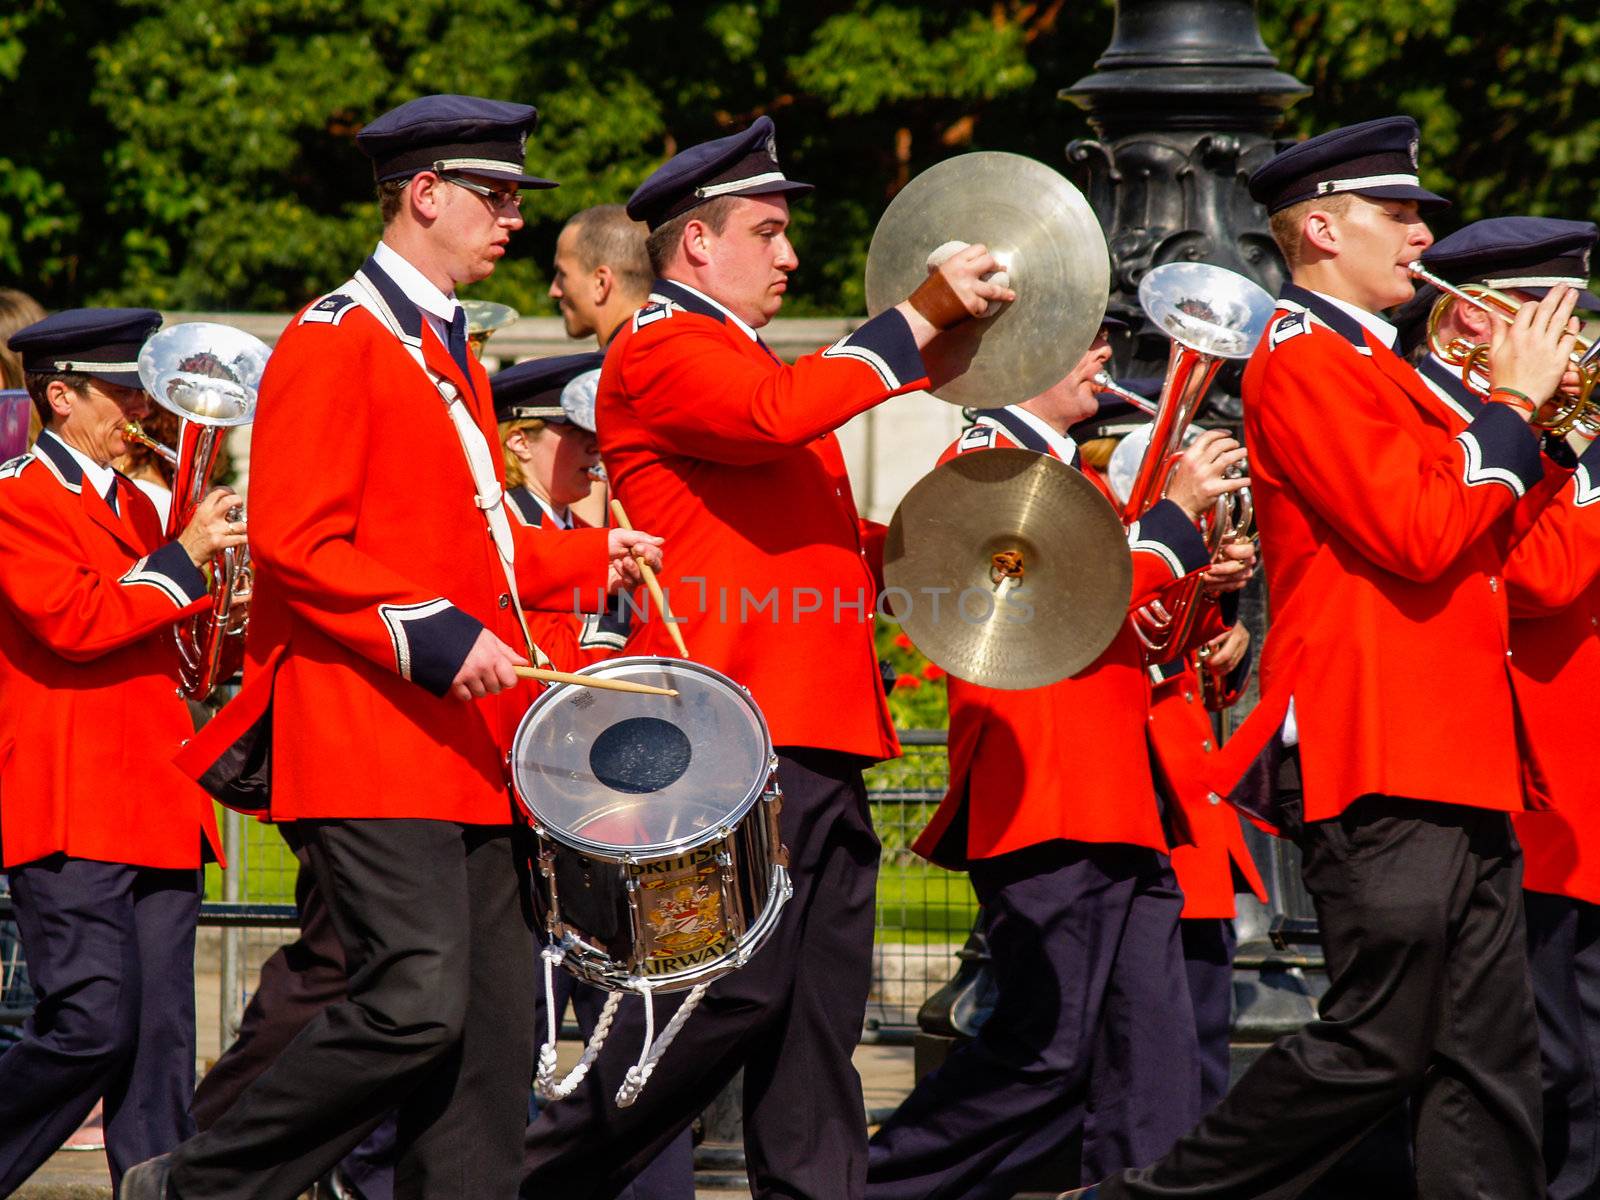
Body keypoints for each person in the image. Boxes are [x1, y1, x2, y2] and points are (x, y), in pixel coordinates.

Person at [124, 93, 662, 1200]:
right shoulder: (337, 336)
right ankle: (198, 1186)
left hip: (464, 746)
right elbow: (293, 537)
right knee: (415, 1000)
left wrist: (590, 556)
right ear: (426, 195)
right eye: (496, 197)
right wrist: (432, 631)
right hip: (367, 734)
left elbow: (477, 541)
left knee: (489, 1045)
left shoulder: (439, 346)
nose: (514, 220)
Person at [1063, 115, 1579, 1200]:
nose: (1419, 235)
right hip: (1383, 747)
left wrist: (1549, 433)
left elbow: (1497, 544)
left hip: (1456, 750)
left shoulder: (1379, 367)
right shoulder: (1303, 357)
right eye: (1397, 215)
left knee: (1487, 1061)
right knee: (1377, 1043)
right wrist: (1518, 405)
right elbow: (1420, 534)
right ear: (1319, 228)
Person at [521, 114, 1014, 1200]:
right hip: (732, 747)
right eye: (770, 230)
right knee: (714, 1005)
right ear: (698, 244)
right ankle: (520, 1185)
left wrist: (975, 539)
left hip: (808, 735)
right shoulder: (657, 346)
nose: (790, 255)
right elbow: (772, 416)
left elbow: (809, 538)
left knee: (813, 1031)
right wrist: (917, 316)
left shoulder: (731, 353)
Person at [865, 323, 1256, 1199]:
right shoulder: (985, 459)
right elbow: (1049, 595)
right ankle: (869, 1188)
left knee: (1150, 1064)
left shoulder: (1063, 471)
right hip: (1048, 790)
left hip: (1116, 797)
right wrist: (1169, 527)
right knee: (1043, 1052)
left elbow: (1126, 634)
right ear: (1021, 357)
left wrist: (1200, 584)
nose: (1104, 358)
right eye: (1083, 339)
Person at [0, 307, 245, 1195]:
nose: (140, 410)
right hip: (72, 797)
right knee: (91, 1025)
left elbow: (183, 651)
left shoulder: (146, 505)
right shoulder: (14, 496)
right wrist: (182, 558)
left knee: (160, 1050)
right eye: (121, 392)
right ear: (59, 397)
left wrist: (223, 606)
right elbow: (78, 621)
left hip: (158, 796)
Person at [1408, 216, 1600, 1200]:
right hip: (1534, 796)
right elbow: (1545, 579)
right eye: (1555, 322)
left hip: (1581, 804)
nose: (1573, 350)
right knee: (1548, 1061)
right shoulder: (1470, 436)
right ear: (1478, 322)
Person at [493, 353, 692, 1200]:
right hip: (524, 818)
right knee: (510, 1038)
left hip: (608, 820)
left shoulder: (586, 539)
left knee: (640, 1043)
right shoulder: (505, 536)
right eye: (576, 435)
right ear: (520, 440)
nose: (595, 453)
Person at [1148, 624, 1268, 1111]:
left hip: (1197, 824)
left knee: (1201, 1051)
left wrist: (1223, 626)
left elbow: (1212, 690)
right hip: (1143, 808)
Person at [548, 204, 653, 346]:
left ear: (601, 283)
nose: (553, 291)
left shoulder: (617, 365)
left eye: (562, 274)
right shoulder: (676, 348)